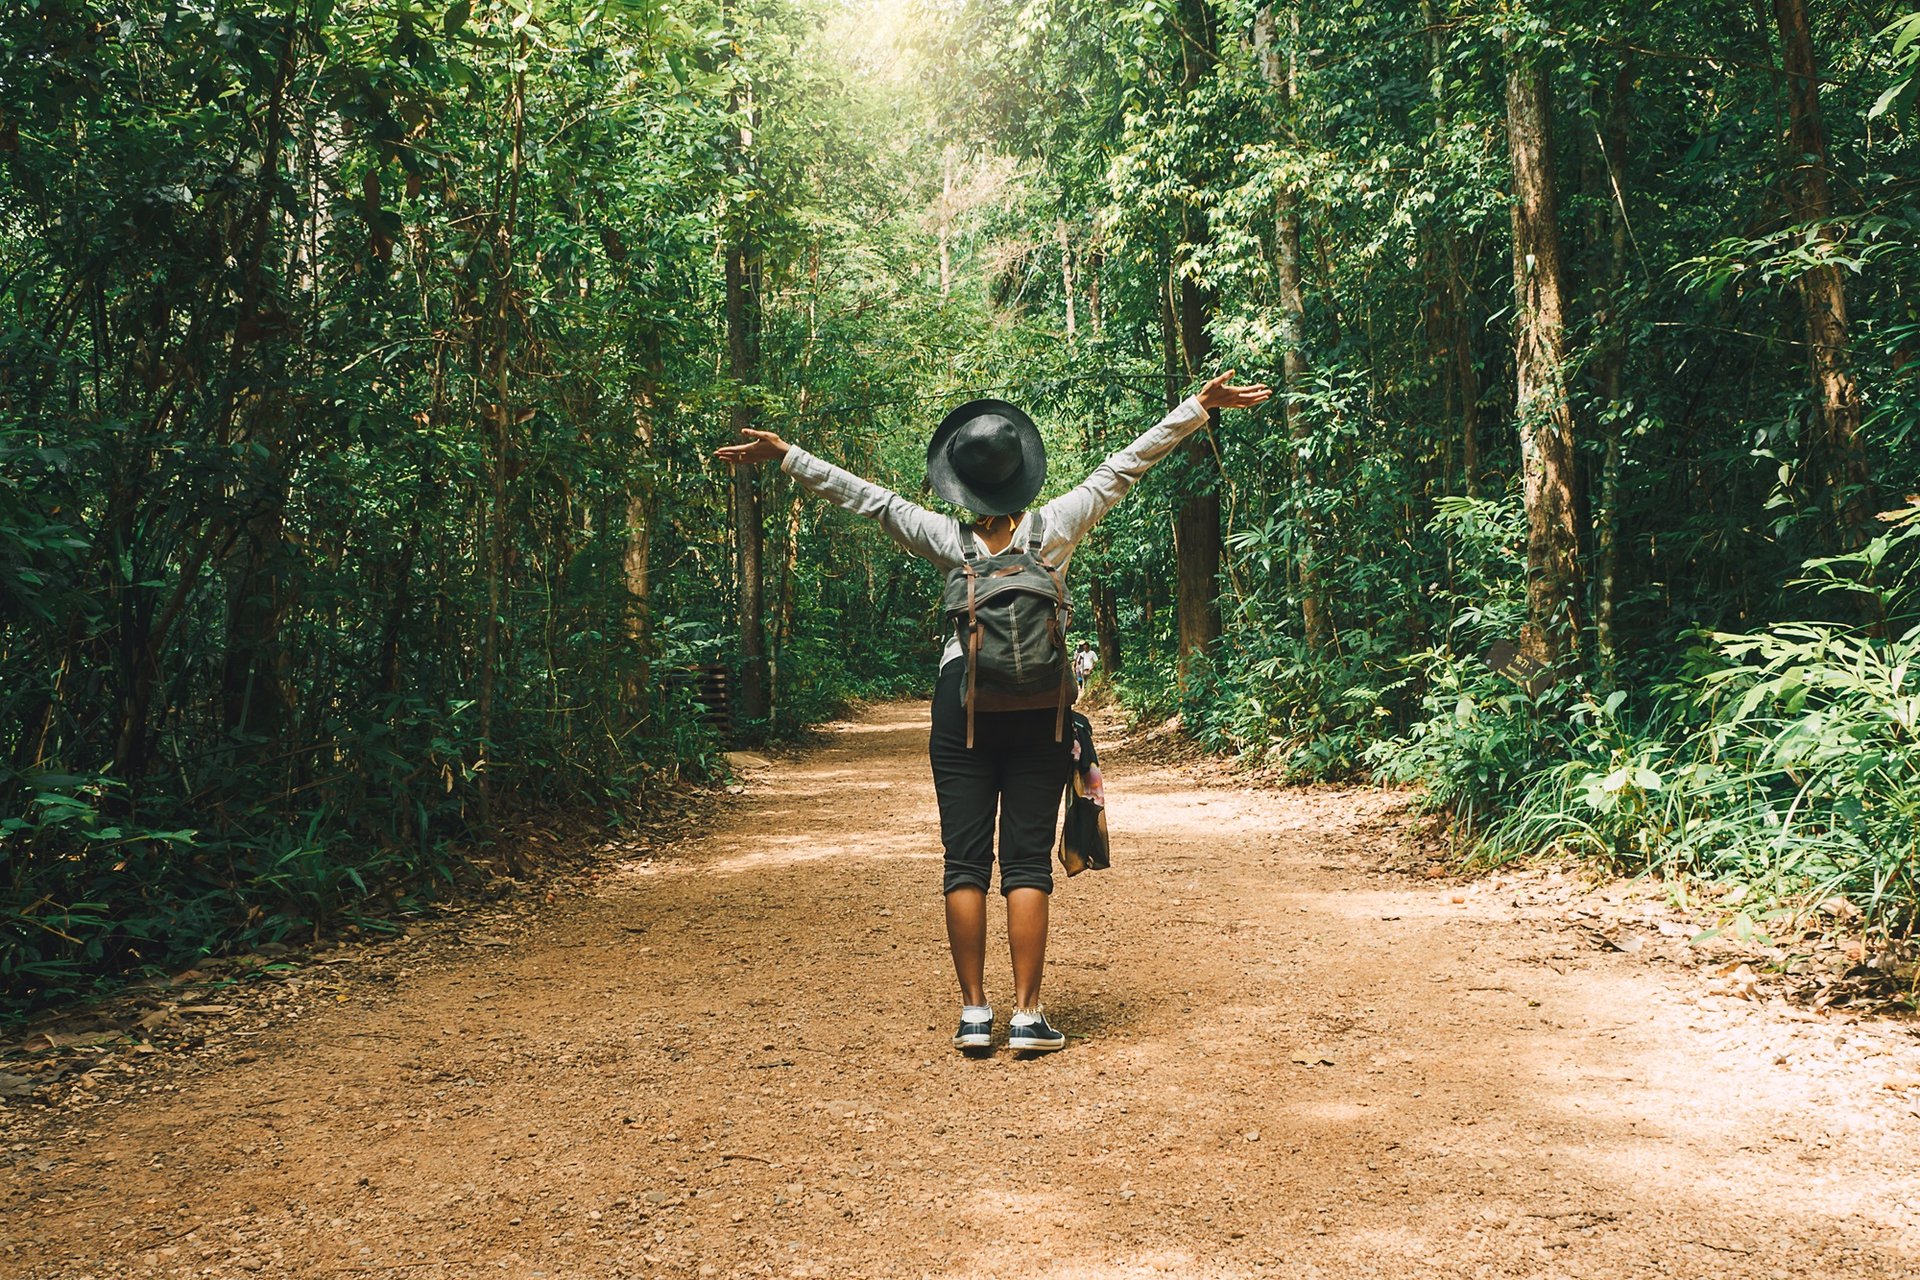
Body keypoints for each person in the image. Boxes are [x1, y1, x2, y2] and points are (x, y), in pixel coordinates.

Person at [715, 371, 1271, 1053]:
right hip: (1042, 708)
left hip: (964, 705)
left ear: (961, 484)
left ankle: (976, 1013)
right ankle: (1029, 1015)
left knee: (965, 861)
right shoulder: (1056, 525)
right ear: (1021, 476)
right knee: (1028, 862)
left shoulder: (946, 539)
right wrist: (1198, 407)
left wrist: (787, 454)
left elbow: (869, 500)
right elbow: (1126, 466)